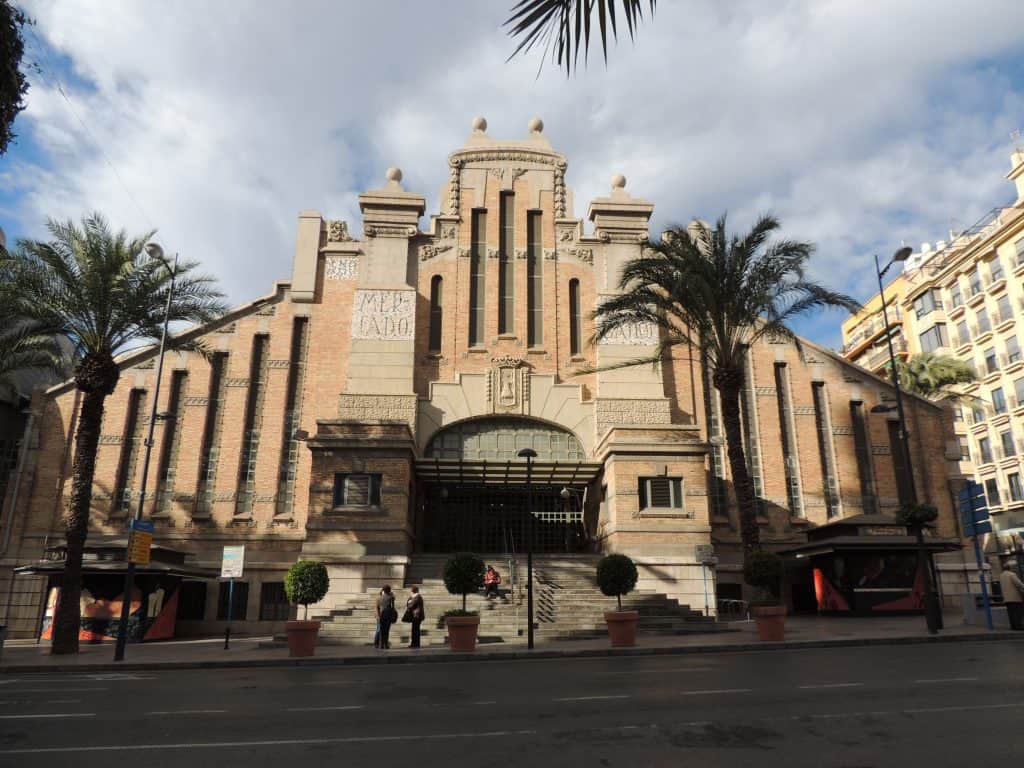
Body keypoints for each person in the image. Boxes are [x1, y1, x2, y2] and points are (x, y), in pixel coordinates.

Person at [999, 560, 1024, 631]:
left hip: (1007, 598)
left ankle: (1013, 626)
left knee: (1011, 613)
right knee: (1018, 612)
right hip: (1015, 597)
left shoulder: (1001, 575)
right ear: (1010, 568)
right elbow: (1018, 583)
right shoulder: (1011, 574)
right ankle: (1018, 626)